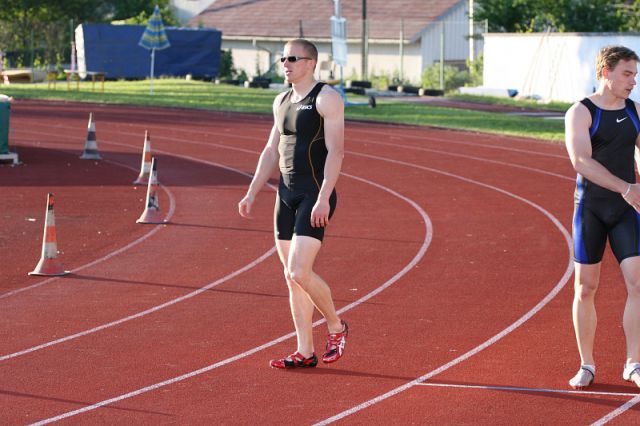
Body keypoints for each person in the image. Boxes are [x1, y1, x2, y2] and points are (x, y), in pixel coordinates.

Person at [238, 38, 348, 369]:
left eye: (292, 58)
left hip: (314, 193)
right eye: (282, 58)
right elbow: (271, 150)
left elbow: (337, 151)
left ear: (310, 63)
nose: (285, 63)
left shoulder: (326, 99)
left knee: (300, 270)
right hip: (284, 195)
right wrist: (252, 191)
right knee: (291, 276)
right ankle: (305, 350)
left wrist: (325, 196)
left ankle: (336, 327)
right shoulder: (281, 100)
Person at [565, 45, 640, 389]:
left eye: (635, 75)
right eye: (627, 74)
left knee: (637, 283)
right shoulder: (580, 113)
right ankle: (587, 364)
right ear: (605, 72)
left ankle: (633, 363)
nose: (633, 81)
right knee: (586, 288)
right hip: (591, 209)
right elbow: (581, 161)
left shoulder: (636, 112)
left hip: (627, 210)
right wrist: (626, 187)